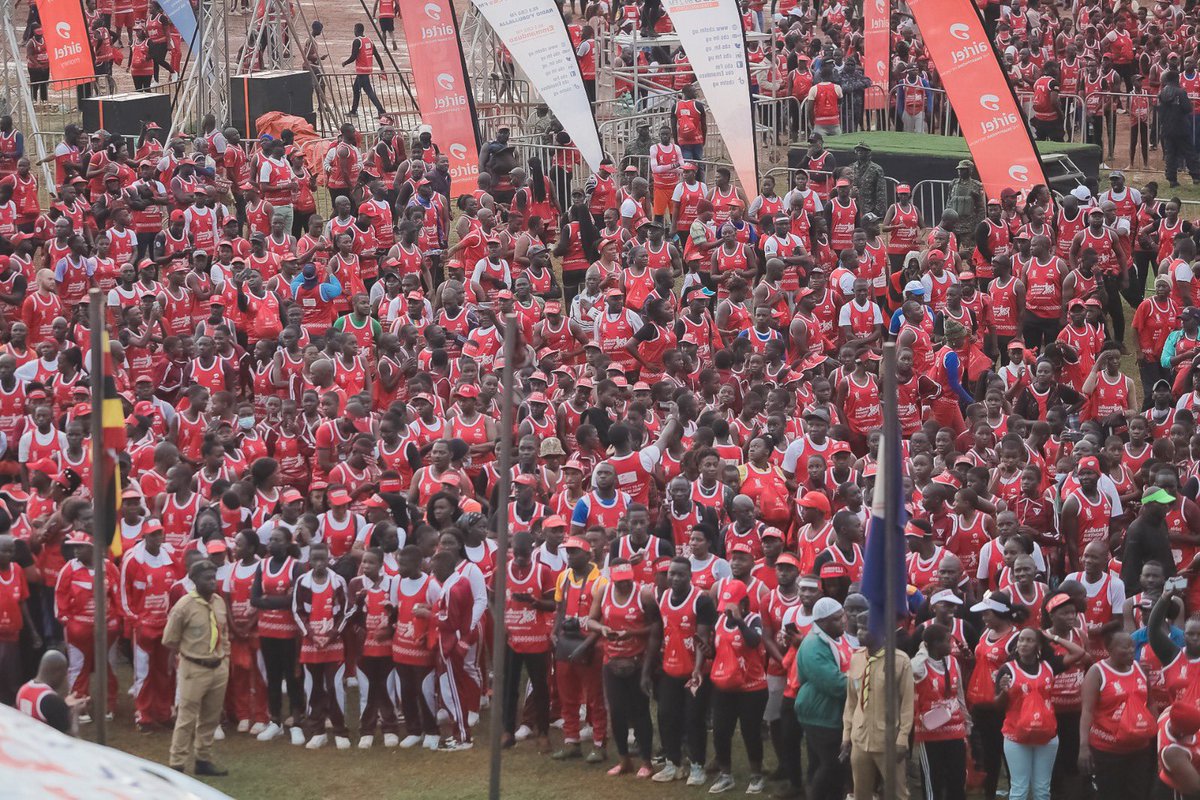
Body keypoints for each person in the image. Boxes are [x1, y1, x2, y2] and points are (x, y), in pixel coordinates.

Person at [162, 559, 230, 776]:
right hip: (194, 668)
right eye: (207, 578)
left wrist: (225, 657)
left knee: (211, 717)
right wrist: (188, 654)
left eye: (214, 577)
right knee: (186, 718)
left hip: (218, 667)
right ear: (194, 580)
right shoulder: (183, 606)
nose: (212, 582)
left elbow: (223, 632)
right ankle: (177, 764)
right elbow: (170, 639)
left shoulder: (219, 602)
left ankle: (203, 760)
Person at [842, 608, 915, 800]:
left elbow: (907, 705)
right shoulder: (856, 658)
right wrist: (846, 736)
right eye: (858, 628)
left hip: (888, 741)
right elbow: (851, 702)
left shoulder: (900, 661)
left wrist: (902, 739)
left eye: (865, 629)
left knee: (898, 793)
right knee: (861, 792)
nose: (859, 633)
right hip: (860, 739)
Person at [1079, 631, 1157, 800]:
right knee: (1110, 794)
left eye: (1132, 646)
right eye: (1125, 647)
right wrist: (1083, 746)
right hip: (1107, 751)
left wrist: (1154, 732)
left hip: (1139, 749)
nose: (1131, 651)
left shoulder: (1140, 670)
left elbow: (1151, 703)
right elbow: (1087, 711)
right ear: (1110, 649)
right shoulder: (1097, 672)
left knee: (1137, 794)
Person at [795, 596, 851, 800]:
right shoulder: (813, 646)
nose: (844, 621)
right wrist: (863, 684)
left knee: (824, 765)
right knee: (830, 765)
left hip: (829, 713)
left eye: (842, 616)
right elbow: (835, 684)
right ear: (822, 621)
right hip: (820, 714)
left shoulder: (834, 638)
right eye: (837, 618)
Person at [17, 650, 80, 735]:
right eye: (65, 674)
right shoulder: (52, 701)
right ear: (58, 672)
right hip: (44, 746)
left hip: (28, 743)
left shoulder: (22, 690)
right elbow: (70, 737)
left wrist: (63, 703)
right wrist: (76, 713)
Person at [1157, 70, 1200, 187]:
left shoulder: (1161, 93)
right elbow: (1187, 108)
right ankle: (1196, 176)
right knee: (1189, 152)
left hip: (1167, 128)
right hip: (1181, 127)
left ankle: (1172, 180)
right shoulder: (1181, 92)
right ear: (1177, 79)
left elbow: (1159, 111)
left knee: (1170, 154)